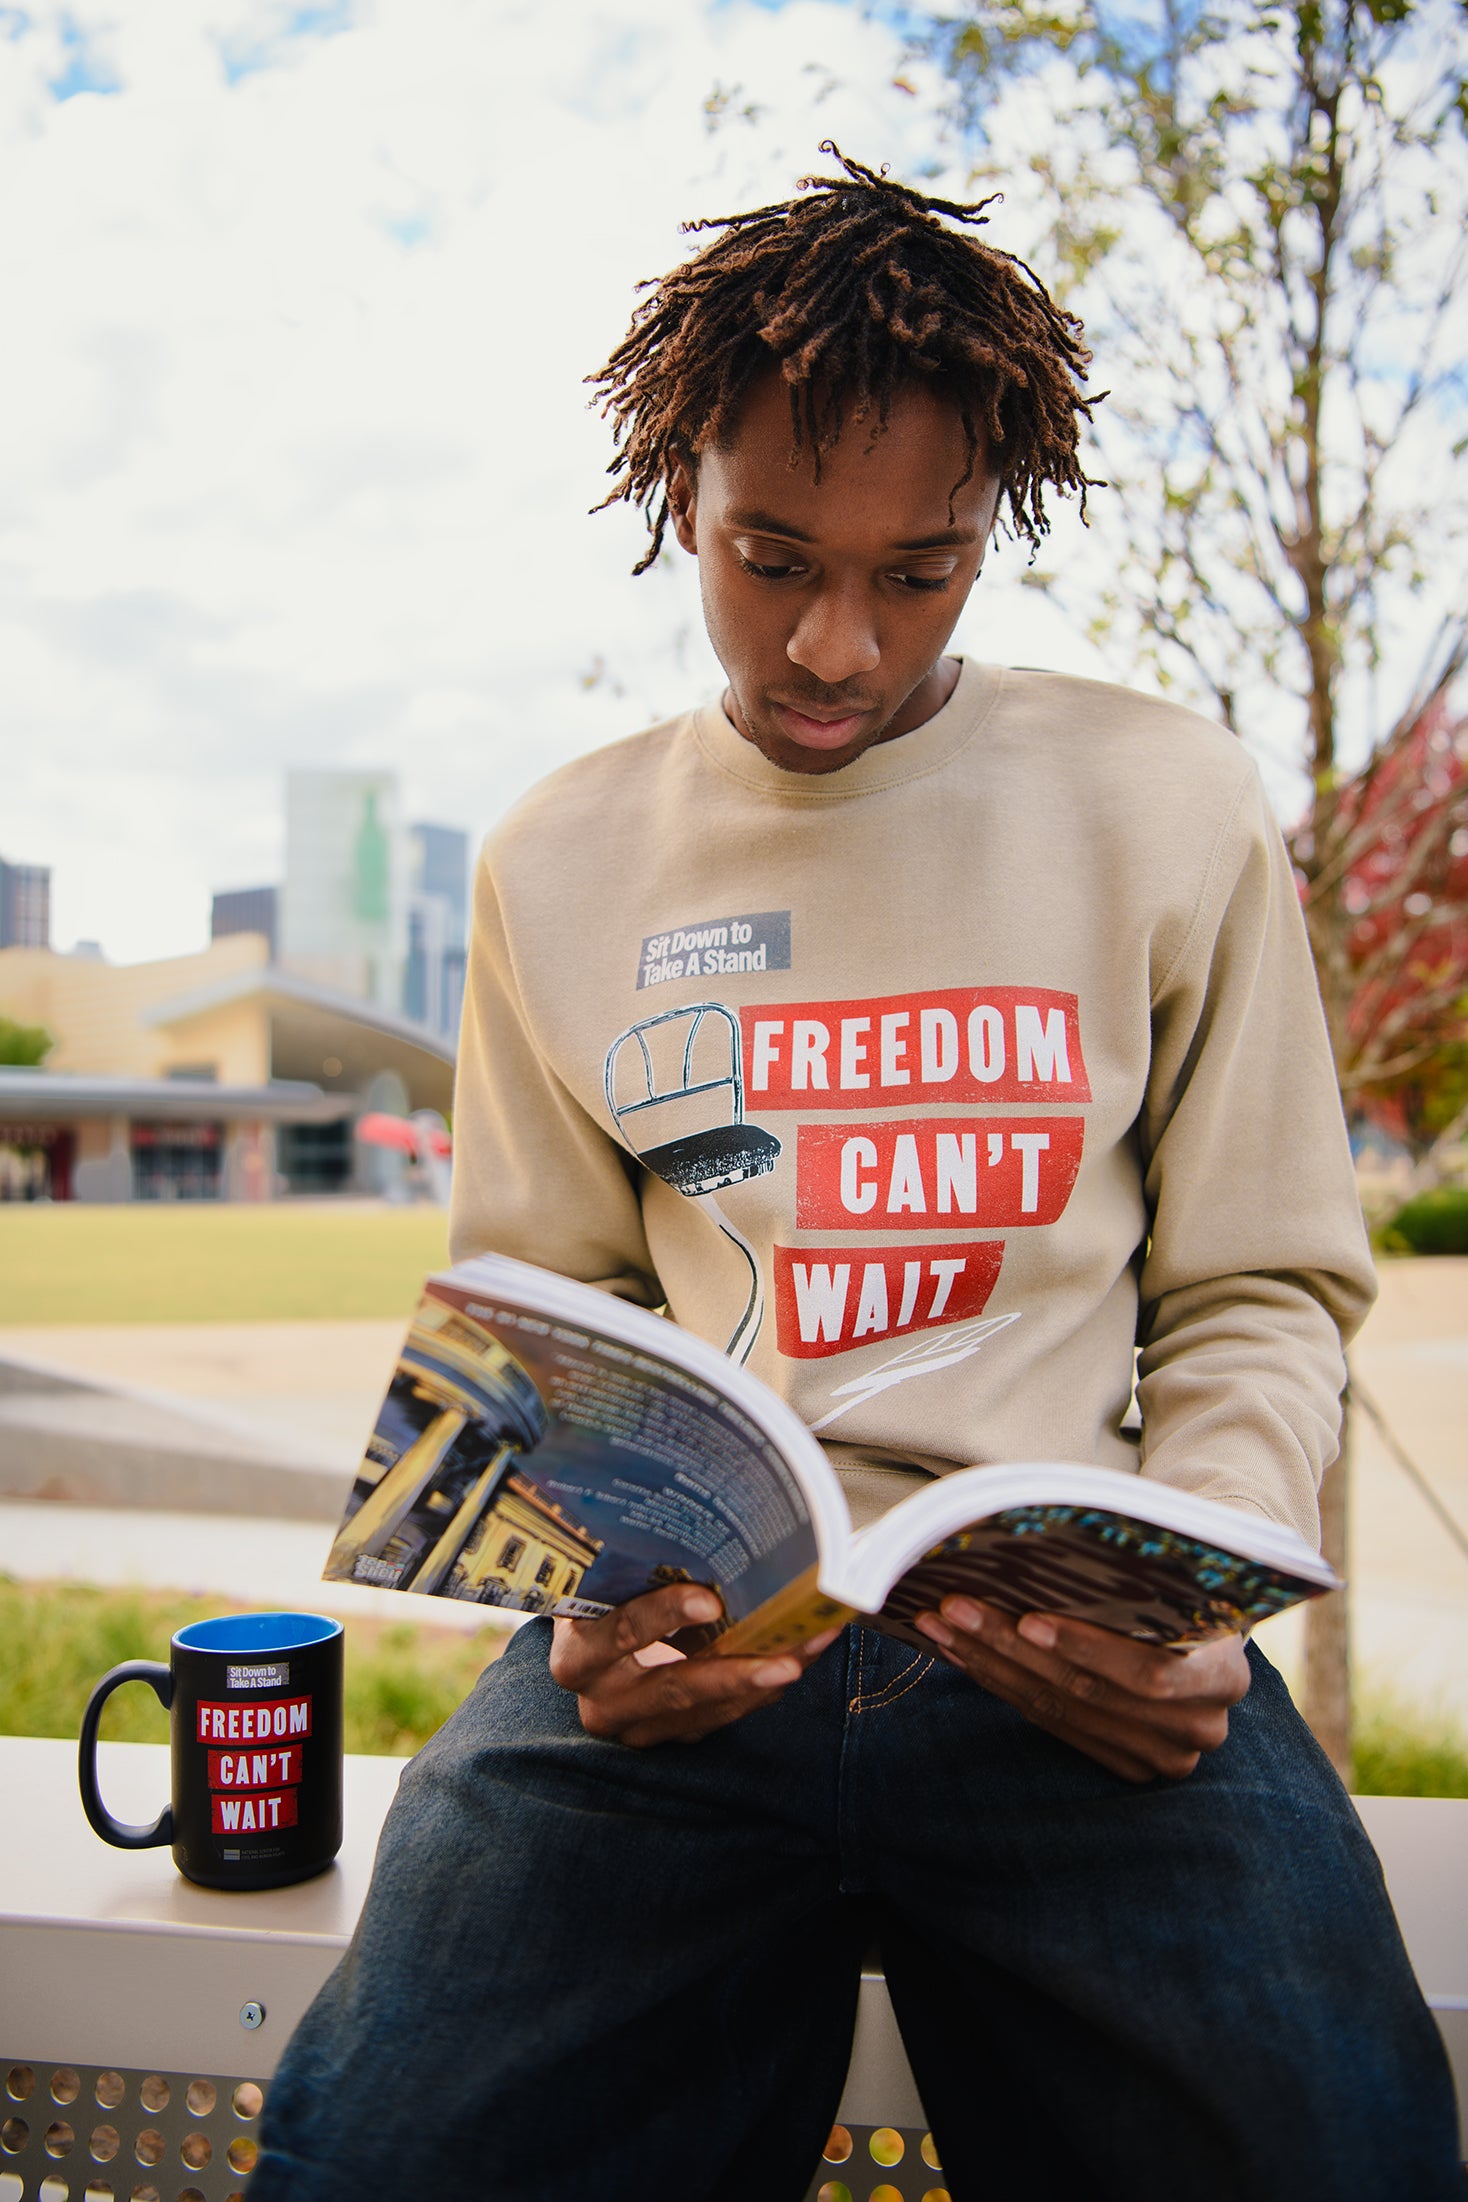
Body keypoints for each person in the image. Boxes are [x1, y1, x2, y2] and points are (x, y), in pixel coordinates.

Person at [251, 147, 1463, 2199]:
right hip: (691, 1673)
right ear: (677, 496)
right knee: (384, 2156)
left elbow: (1260, 1285)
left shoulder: (1159, 801)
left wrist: (1209, 1588)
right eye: (769, 553)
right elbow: (544, 1312)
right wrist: (584, 1612)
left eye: (921, 572)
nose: (834, 646)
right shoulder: (560, 856)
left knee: (1329, 2157)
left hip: (1082, 1671)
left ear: (997, 528)